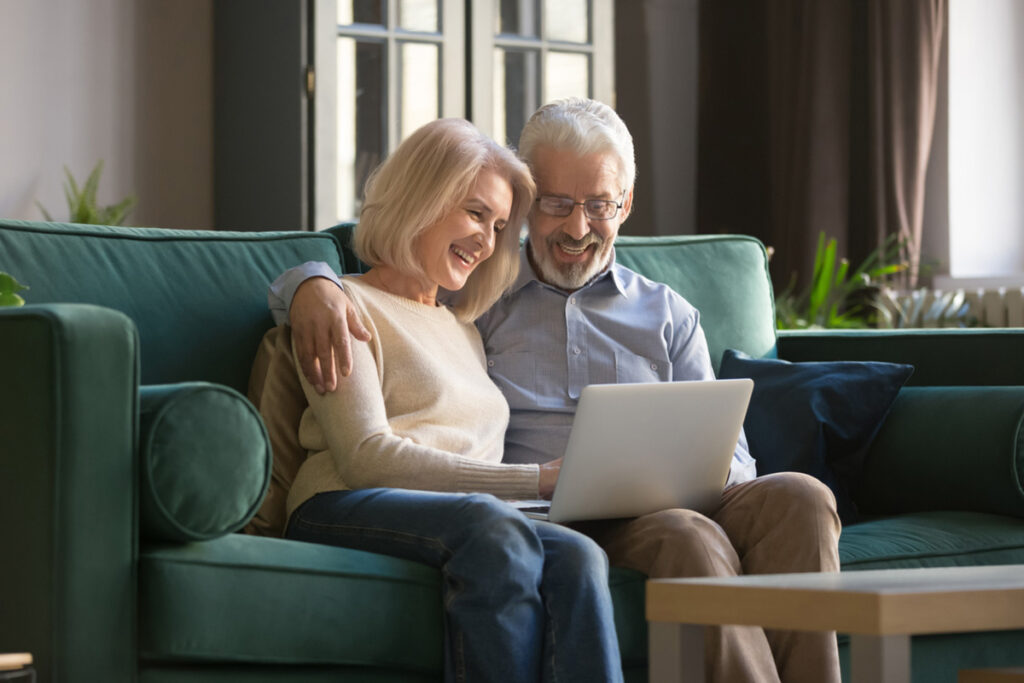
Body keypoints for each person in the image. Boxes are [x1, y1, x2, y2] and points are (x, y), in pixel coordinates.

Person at [271, 99, 842, 683]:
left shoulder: (667, 312)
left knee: (801, 496)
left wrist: (693, 477)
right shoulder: (479, 297)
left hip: (678, 499)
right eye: (557, 204)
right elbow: (369, 265)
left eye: (598, 205)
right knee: (684, 534)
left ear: (626, 205)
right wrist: (307, 284)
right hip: (549, 511)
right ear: (530, 205)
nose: (576, 227)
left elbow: (735, 459)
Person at [278, 117, 624, 683]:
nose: (487, 240)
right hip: (341, 502)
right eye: (474, 212)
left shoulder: (465, 328)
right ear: (420, 198)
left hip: (466, 515)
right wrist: (535, 479)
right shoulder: (342, 305)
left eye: (499, 225)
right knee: (493, 527)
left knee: (579, 556)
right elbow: (365, 456)